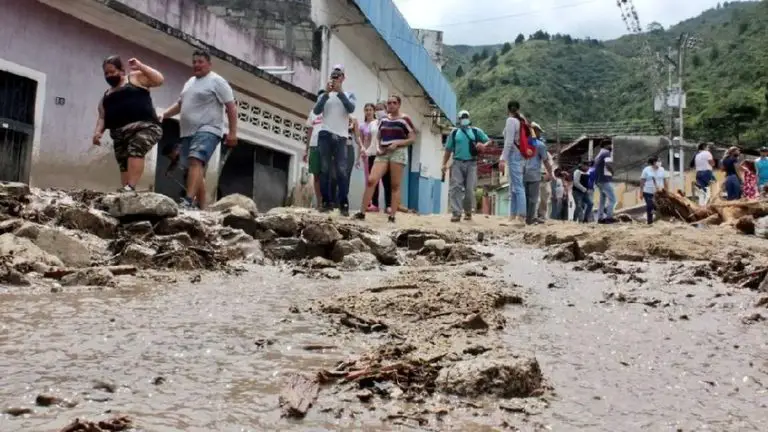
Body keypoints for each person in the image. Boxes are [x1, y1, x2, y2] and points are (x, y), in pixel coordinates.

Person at [160, 50, 238, 209]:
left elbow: (231, 106)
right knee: (193, 168)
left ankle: (188, 201)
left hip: (208, 129)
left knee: (196, 160)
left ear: (209, 64)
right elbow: (181, 105)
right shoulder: (189, 82)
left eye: (200, 61)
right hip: (188, 132)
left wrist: (233, 132)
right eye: (194, 61)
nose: (196, 65)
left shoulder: (217, 81)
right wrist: (164, 114)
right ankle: (203, 207)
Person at [93, 55, 164, 192]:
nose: (109, 76)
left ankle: (130, 186)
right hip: (119, 134)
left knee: (136, 148)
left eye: (112, 72)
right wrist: (97, 133)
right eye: (106, 73)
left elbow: (159, 80)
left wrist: (141, 66)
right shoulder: (106, 96)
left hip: (145, 127)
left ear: (121, 71)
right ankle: (126, 191)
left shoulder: (134, 78)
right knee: (123, 162)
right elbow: (102, 117)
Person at [354, 95, 416, 223]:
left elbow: (412, 138)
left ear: (399, 104)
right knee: (371, 180)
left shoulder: (405, 119)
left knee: (394, 185)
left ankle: (392, 215)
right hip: (383, 152)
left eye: (394, 102)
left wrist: (398, 143)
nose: (391, 105)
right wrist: (377, 147)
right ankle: (362, 212)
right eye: (389, 103)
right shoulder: (383, 120)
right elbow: (378, 136)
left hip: (398, 152)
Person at [313, 64, 356, 215]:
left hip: (342, 136)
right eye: (334, 75)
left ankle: (343, 203)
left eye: (339, 75)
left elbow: (351, 109)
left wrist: (340, 92)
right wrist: (326, 93)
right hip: (325, 134)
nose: (336, 77)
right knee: (324, 169)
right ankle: (326, 202)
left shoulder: (349, 94)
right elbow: (316, 110)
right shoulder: (323, 94)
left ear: (343, 78)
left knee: (341, 171)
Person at [442, 110, 492, 222]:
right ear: (459, 119)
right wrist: (444, 164)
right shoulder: (454, 133)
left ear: (469, 118)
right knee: (456, 188)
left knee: (470, 189)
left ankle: (468, 211)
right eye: (462, 117)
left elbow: (489, 141)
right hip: (457, 162)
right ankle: (456, 213)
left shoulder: (475, 131)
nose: (464, 118)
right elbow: (448, 149)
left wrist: (483, 145)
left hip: (472, 163)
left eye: (466, 117)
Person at [499, 101, 526, 224]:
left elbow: (509, 142)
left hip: (514, 156)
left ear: (508, 109)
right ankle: (513, 216)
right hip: (520, 155)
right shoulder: (521, 120)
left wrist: (502, 159)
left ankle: (520, 217)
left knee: (518, 187)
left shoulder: (511, 121)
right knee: (514, 187)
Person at [364, 102, 392, 212]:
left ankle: (388, 205)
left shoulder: (389, 122)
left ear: (386, 110)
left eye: (381, 109)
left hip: (385, 154)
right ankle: (374, 204)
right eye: (377, 109)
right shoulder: (373, 123)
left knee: (386, 180)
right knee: (373, 180)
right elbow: (369, 139)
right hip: (373, 154)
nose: (379, 111)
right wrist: (365, 150)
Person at [522, 132, 554, 225]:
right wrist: (551, 173)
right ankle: (530, 218)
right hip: (535, 175)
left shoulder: (523, 143)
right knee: (534, 198)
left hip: (524, 173)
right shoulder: (540, 146)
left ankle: (532, 217)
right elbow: (546, 162)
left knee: (530, 197)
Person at [304, 90, 325, 208]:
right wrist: (306, 150)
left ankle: (328, 200)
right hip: (314, 146)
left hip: (326, 147)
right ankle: (319, 202)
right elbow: (309, 131)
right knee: (316, 175)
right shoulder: (313, 113)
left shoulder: (330, 112)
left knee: (326, 175)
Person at [530, 122, 553, 221]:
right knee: (536, 198)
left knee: (545, 197)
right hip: (536, 175)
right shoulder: (530, 147)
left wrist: (549, 174)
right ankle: (533, 216)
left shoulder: (546, 152)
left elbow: (550, 164)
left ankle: (542, 215)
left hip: (545, 177)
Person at [640, 156, 668, 224]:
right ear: (654, 162)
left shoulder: (662, 169)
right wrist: (641, 192)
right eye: (658, 161)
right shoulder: (646, 170)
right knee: (650, 206)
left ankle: (658, 220)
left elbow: (665, 180)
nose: (660, 162)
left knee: (658, 207)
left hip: (659, 192)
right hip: (648, 192)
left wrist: (666, 190)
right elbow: (642, 181)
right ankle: (650, 222)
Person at [594, 142, 616, 223]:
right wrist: (613, 172)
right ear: (606, 145)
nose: (611, 146)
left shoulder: (598, 154)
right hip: (605, 179)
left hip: (598, 180)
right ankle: (609, 217)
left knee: (602, 199)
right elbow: (608, 164)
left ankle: (600, 218)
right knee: (613, 199)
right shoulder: (606, 153)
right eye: (610, 144)